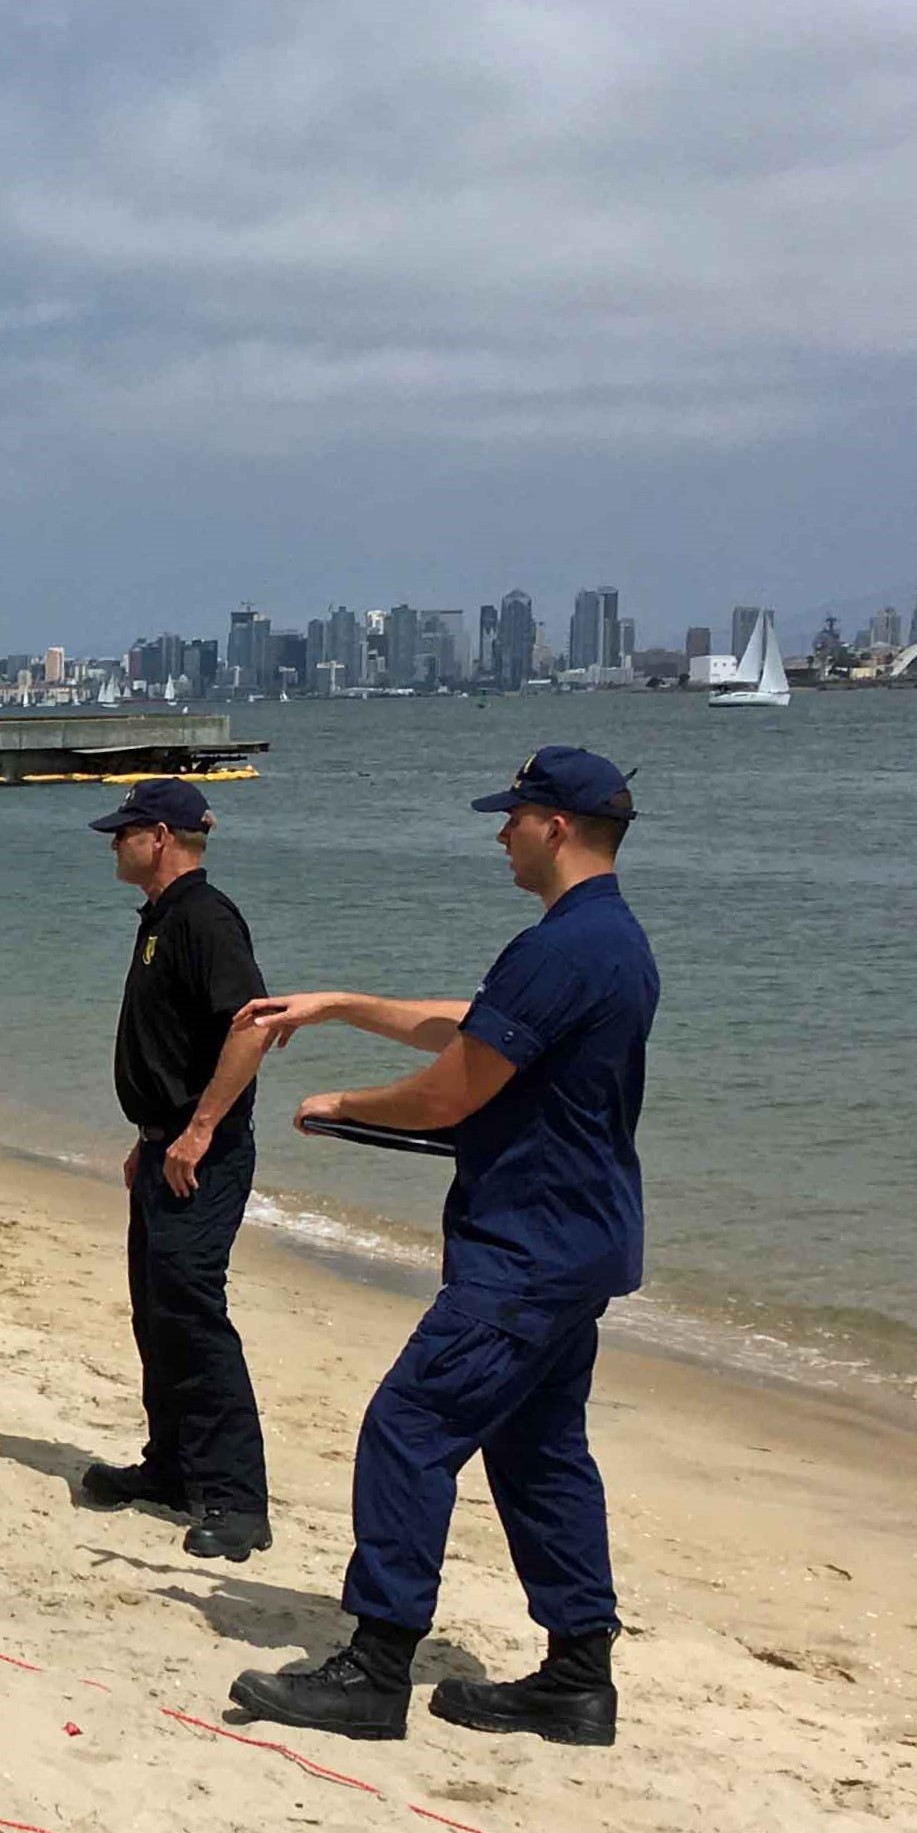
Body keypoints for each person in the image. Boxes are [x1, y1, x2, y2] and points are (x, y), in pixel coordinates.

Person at [224, 747, 659, 1747]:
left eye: (511, 815)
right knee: (539, 1449)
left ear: (553, 825)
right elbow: (472, 1027)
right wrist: (336, 1004)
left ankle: (374, 1669)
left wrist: (340, 1104)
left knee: (406, 1427)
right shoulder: (604, 938)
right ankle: (575, 1677)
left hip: (529, 1246)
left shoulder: (559, 946)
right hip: (577, 1239)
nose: (497, 829)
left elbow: (454, 1088)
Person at [79, 778, 277, 1559]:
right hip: (164, 1145)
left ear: (161, 836)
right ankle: (172, 1467)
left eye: (124, 831)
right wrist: (153, 1132)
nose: (113, 842)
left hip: (205, 1153)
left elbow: (252, 1027)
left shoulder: (205, 916)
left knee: (194, 1314)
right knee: (155, 1311)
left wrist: (197, 1129)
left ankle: (236, 1498)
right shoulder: (161, 918)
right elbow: (172, 1042)